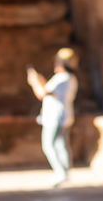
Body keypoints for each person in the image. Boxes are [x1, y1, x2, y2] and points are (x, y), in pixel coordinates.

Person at [27, 48, 78, 187]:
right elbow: (48, 89)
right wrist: (39, 79)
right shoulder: (67, 78)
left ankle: (61, 173)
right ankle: (64, 173)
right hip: (63, 116)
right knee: (61, 145)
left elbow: (42, 93)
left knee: (49, 145)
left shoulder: (63, 79)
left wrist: (33, 81)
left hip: (56, 117)